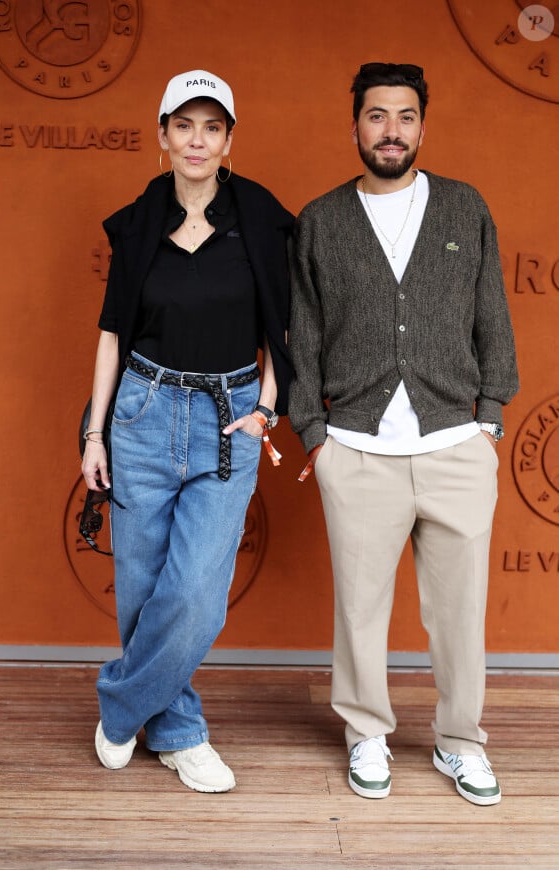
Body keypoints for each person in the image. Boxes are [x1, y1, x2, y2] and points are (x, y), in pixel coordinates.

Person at [288, 62, 518, 806]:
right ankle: (366, 731)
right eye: (378, 116)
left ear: (423, 125)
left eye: (406, 116)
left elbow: (494, 317)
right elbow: (305, 334)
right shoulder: (321, 218)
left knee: (460, 610)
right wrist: (315, 435)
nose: (392, 130)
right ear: (354, 124)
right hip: (356, 449)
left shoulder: (463, 207)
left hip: (456, 444)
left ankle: (460, 742)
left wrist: (490, 419)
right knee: (360, 606)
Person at [81, 69, 292, 792]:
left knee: (198, 588)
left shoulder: (262, 218)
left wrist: (266, 408)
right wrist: (93, 434)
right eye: (184, 125)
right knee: (141, 588)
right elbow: (112, 334)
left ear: (229, 140)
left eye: (212, 127)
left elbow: (285, 332)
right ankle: (177, 732)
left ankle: (120, 706)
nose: (197, 140)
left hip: (226, 421)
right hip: (141, 411)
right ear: (163, 135)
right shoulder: (137, 222)